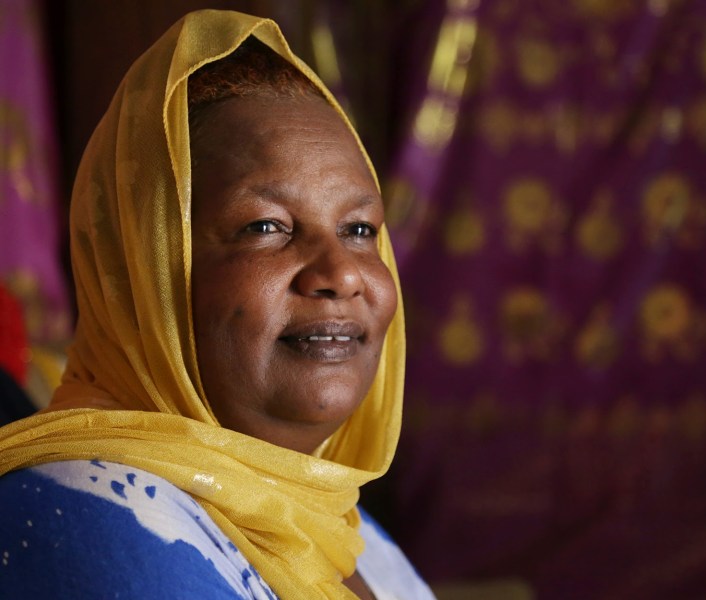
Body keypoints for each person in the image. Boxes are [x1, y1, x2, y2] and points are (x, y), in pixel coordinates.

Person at [0, 10, 433, 600]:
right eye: (266, 226)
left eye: (359, 229)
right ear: (143, 273)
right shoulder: (96, 514)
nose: (341, 274)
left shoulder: (339, 527)